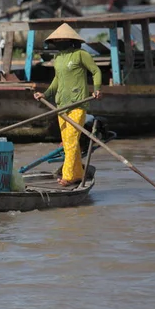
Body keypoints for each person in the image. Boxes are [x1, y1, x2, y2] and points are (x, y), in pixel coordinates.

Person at [33, 23, 102, 187]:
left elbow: (96, 71)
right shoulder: (58, 58)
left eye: (63, 39)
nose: (59, 42)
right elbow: (57, 80)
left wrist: (97, 89)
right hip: (61, 106)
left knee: (70, 141)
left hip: (77, 104)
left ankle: (68, 176)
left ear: (71, 40)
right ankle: (78, 174)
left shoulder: (80, 54)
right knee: (70, 142)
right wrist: (46, 94)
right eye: (57, 40)